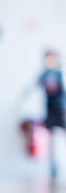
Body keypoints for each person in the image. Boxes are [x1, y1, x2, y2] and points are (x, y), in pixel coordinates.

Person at [36, 50, 64, 178]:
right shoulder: (44, 75)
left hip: (61, 110)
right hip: (50, 110)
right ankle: (53, 165)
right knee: (51, 138)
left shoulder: (59, 74)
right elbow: (36, 86)